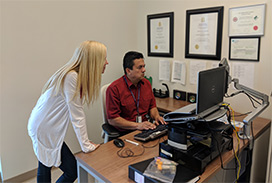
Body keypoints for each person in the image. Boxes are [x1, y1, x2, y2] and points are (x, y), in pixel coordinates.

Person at [27, 40, 108, 183]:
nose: (106, 62)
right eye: (103, 59)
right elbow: (77, 116)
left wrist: (85, 143)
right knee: (68, 170)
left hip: (43, 124)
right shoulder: (72, 77)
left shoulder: (75, 76)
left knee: (46, 164)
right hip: (44, 127)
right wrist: (86, 145)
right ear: (94, 61)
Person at [106, 51, 166, 136]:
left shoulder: (146, 83)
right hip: (125, 133)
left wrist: (157, 117)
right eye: (140, 67)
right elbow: (113, 119)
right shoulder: (114, 89)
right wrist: (137, 125)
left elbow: (152, 107)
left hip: (145, 129)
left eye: (144, 66)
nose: (144, 70)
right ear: (128, 70)